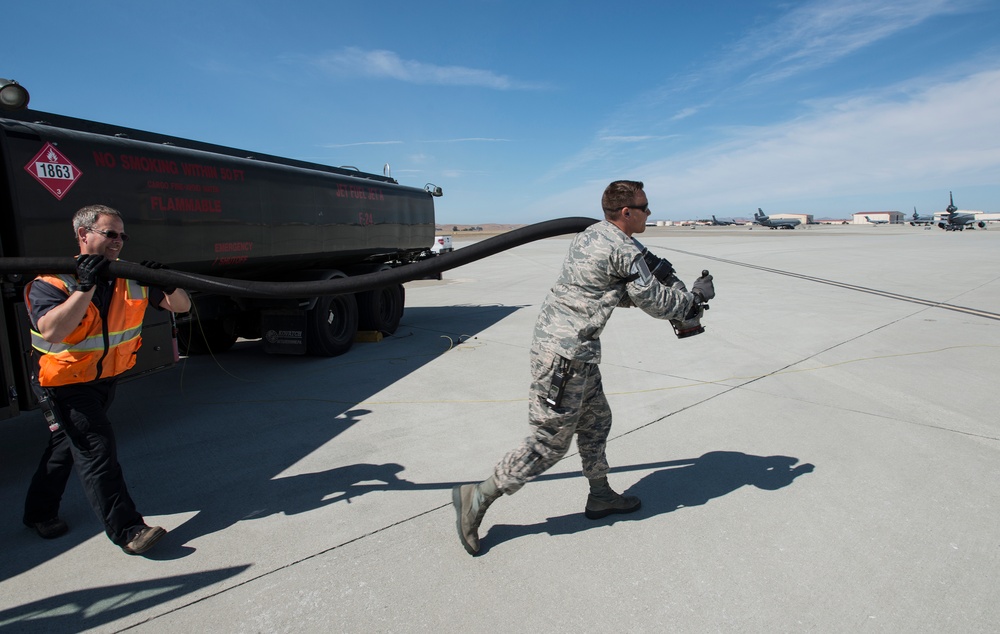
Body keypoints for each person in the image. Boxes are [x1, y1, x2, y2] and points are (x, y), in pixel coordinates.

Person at [452, 180, 715, 556]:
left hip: (574, 351)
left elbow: (609, 290)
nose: (649, 212)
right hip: (566, 356)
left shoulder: (593, 234)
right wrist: (693, 299)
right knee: (549, 444)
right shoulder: (623, 249)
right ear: (627, 212)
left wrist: (666, 288)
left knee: (596, 421)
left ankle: (601, 495)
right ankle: (477, 497)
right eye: (644, 206)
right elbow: (656, 303)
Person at [22, 204, 191, 555]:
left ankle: (39, 512)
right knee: (97, 448)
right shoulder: (51, 282)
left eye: (122, 235)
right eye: (110, 233)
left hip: (103, 380)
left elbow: (183, 306)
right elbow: (53, 329)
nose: (118, 241)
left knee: (68, 446)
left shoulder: (128, 279)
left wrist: (166, 282)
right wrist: (85, 286)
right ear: (84, 235)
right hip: (63, 382)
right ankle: (128, 530)